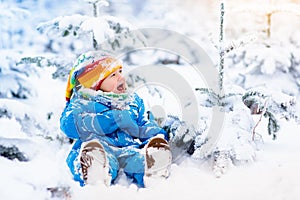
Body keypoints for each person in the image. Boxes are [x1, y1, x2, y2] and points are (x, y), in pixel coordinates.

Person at [60, 51, 172, 188]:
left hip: (127, 147)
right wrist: (111, 119)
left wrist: (156, 136)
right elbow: (69, 124)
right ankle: (95, 171)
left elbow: (144, 123)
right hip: (98, 147)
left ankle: (153, 168)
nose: (121, 77)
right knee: (98, 159)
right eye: (113, 75)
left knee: (137, 159)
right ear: (95, 83)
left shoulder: (132, 101)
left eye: (120, 71)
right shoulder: (82, 102)